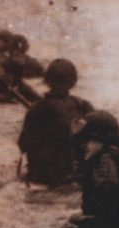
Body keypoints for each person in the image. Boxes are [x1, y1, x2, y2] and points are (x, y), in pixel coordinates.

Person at [18, 59, 95, 187]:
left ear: (48, 79)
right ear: (73, 81)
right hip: (76, 174)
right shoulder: (83, 105)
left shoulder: (37, 107)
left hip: (43, 176)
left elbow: (24, 144)